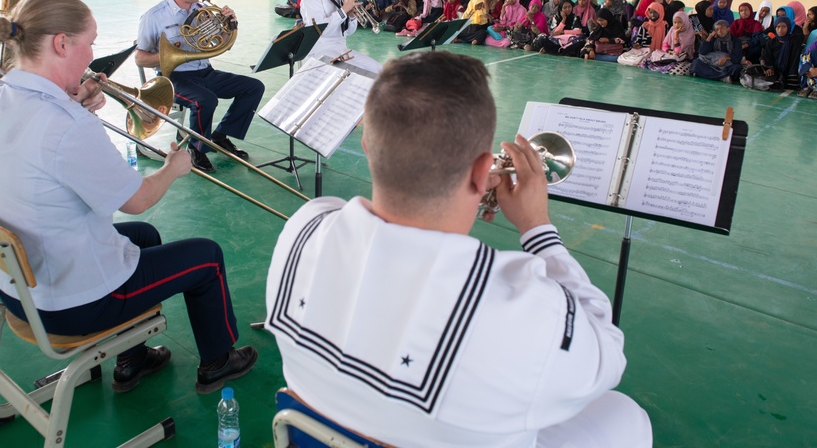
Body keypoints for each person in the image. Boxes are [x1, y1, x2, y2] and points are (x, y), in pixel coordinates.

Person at [265, 51, 652, 448]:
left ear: (367, 145)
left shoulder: (304, 227)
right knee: (625, 417)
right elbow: (606, 353)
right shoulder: (524, 310)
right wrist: (538, 229)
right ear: (483, 171)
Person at [0, 0, 257, 396]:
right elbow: (137, 199)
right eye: (89, 44)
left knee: (144, 237)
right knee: (207, 257)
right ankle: (217, 362)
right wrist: (173, 168)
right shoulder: (67, 125)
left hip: (19, 285)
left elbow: (43, 156)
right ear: (61, 43)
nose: (92, 56)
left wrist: (72, 104)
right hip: (73, 303)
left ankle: (133, 357)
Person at [136, 0, 265, 174]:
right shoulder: (154, 16)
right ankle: (196, 150)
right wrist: (166, 56)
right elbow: (140, 58)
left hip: (205, 72)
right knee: (204, 100)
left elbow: (221, 43)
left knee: (253, 87)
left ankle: (220, 136)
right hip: (173, 78)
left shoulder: (202, 11)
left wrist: (229, 25)